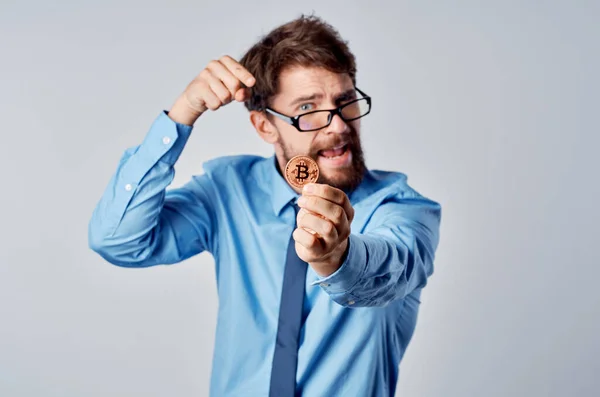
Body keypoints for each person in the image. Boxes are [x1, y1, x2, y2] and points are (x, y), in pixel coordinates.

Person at [88, 14, 442, 397]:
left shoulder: (402, 208)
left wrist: (336, 257)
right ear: (264, 127)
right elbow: (118, 239)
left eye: (345, 101)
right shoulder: (227, 192)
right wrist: (182, 114)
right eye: (308, 109)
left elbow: (389, 271)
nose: (338, 126)